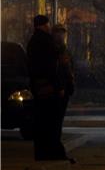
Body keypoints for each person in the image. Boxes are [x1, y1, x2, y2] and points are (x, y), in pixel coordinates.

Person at [27, 15, 75, 163]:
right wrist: (59, 87)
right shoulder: (47, 44)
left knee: (47, 123)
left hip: (43, 88)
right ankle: (52, 153)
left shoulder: (34, 42)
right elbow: (52, 69)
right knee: (51, 123)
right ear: (45, 26)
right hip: (50, 89)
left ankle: (47, 153)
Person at [52, 24, 75, 142]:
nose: (61, 36)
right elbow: (57, 71)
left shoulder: (65, 50)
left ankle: (57, 138)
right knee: (56, 116)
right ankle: (54, 140)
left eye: (62, 33)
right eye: (58, 33)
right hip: (57, 89)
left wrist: (71, 83)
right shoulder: (53, 50)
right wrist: (59, 86)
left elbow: (70, 67)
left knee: (60, 116)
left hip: (65, 87)